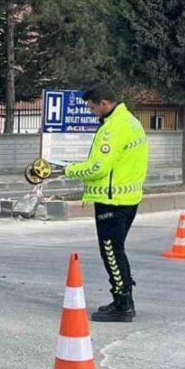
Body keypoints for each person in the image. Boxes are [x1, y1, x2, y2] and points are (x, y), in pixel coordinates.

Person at [63, 83, 149, 322]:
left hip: (113, 200)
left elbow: (98, 167)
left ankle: (122, 304)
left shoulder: (114, 128)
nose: (92, 112)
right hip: (127, 197)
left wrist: (67, 169)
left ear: (104, 103)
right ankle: (123, 299)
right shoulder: (130, 121)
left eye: (92, 108)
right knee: (116, 249)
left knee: (111, 251)